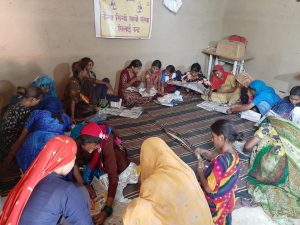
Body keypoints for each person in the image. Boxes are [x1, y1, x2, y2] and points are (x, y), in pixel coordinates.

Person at [0, 136, 94, 225]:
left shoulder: (29, 180)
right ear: (67, 159)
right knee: (81, 191)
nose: (74, 159)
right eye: (73, 156)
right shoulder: (67, 190)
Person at [123, 137, 213, 225]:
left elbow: (145, 202)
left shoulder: (151, 183)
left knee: (136, 209)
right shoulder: (185, 169)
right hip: (204, 221)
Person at [71, 122, 138, 225]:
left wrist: (107, 210)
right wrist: (83, 184)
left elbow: (113, 177)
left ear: (99, 144)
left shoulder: (106, 141)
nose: (90, 152)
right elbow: (73, 161)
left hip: (113, 156)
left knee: (119, 167)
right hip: (95, 153)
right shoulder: (76, 138)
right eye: (87, 148)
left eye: (93, 148)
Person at [244, 116, 300, 224]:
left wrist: (254, 141)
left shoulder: (266, 127)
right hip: (285, 167)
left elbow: (247, 147)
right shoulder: (286, 129)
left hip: (272, 165)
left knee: (262, 147)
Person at [4, 97, 71, 172]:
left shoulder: (37, 113)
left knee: (30, 171)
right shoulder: (66, 118)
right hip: (54, 148)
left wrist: (8, 160)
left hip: (34, 146)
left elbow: (22, 137)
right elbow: (68, 134)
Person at [195, 119, 241, 225]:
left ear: (221, 138)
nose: (212, 140)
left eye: (213, 136)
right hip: (228, 197)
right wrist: (206, 153)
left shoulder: (221, 161)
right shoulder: (234, 155)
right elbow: (220, 160)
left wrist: (200, 171)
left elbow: (208, 189)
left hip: (216, 201)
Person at [0, 86, 42, 161]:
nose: (38, 102)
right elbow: (24, 132)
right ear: (33, 100)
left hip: (3, 138)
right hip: (10, 142)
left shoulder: (15, 105)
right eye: (38, 100)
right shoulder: (26, 112)